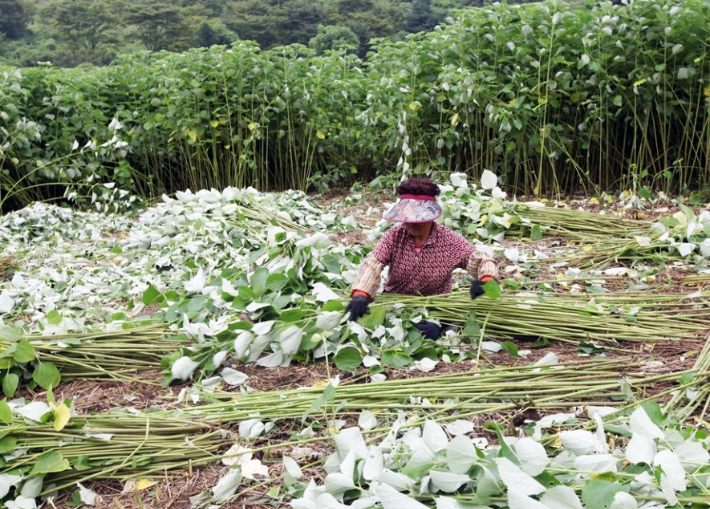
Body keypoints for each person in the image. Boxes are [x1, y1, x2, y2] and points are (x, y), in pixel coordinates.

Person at [344, 177, 498, 339]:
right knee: (364, 321)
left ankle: (445, 324)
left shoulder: (448, 240)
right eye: (408, 217)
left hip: (434, 305)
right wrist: (361, 294)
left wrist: (486, 279)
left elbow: (479, 258)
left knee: (426, 331)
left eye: (419, 218)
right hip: (396, 301)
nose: (412, 223)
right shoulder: (394, 236)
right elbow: (374, 263)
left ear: (431, 216)